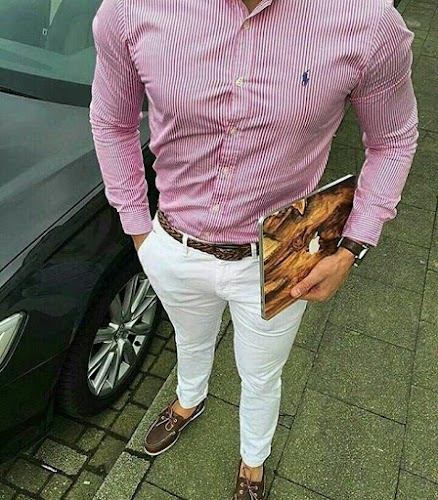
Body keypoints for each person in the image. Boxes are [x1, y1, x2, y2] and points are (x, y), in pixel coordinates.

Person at [89, 0, 418, 498]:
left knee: (262, 374)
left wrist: (352, 247)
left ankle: (253, 460)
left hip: (279, 259)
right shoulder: (131, 9)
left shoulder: (366, 23)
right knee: (190, 340)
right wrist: (138, 229)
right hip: (172, 245)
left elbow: (393, 138)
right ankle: (188, 400)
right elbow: (112, 121)